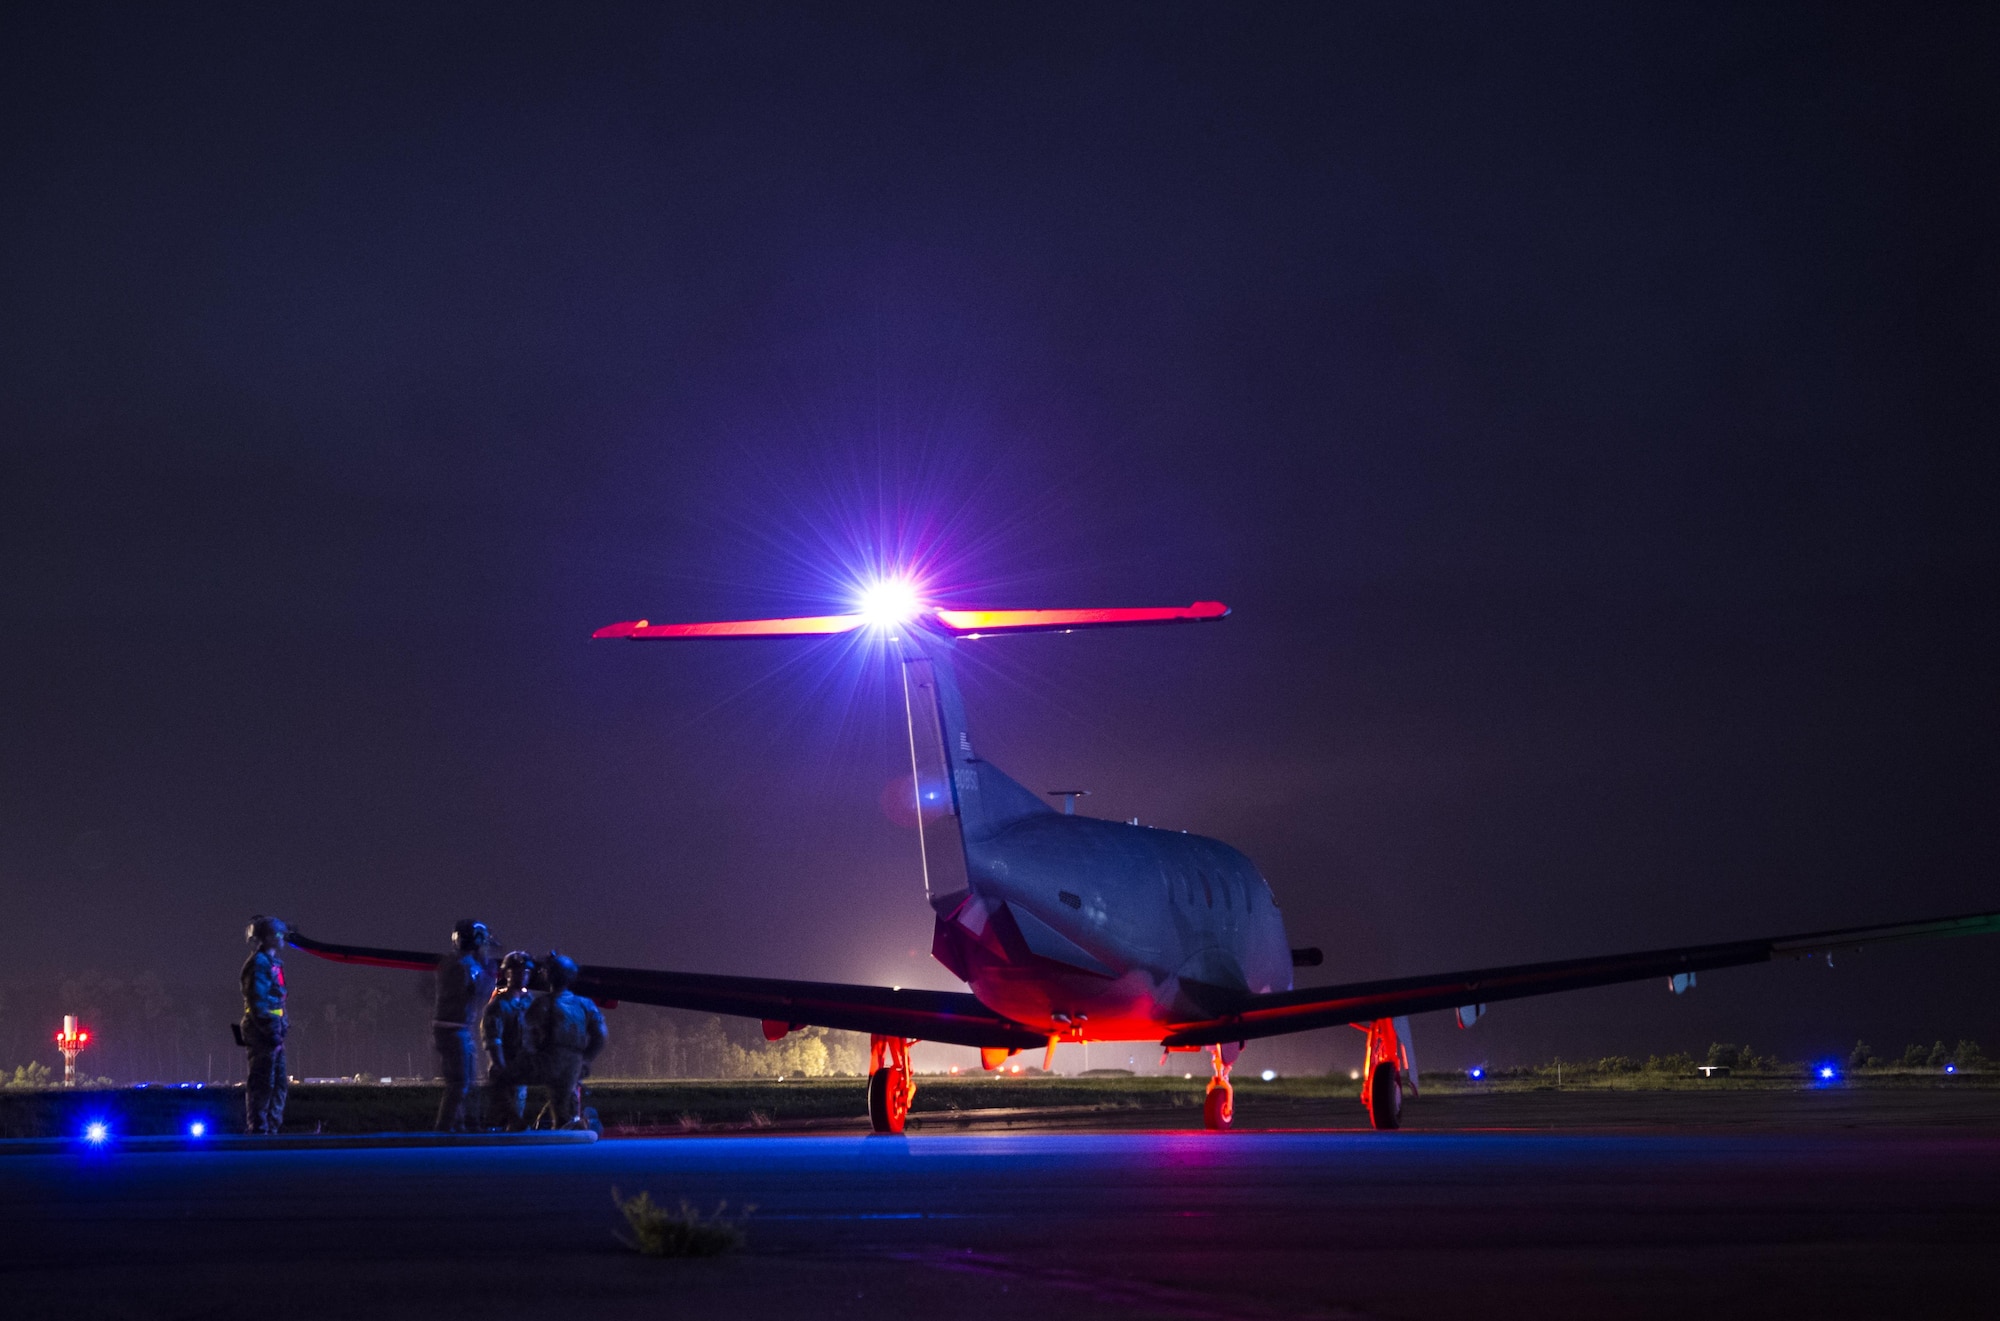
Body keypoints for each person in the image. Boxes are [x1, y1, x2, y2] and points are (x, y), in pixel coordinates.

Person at [526, 952, 606, 1128]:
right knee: (565, 1100)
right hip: (574, 1058)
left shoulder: (542, 1003)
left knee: (560, 1102)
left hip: (550, 1058)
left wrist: (533, 1055)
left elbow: (526, 1032)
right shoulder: (585, 1004)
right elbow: (600, 1036)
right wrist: (585, 1059)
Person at [432, 919, 492, 1132]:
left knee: (465, 1082)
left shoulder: (450, 962)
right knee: (460, 1083)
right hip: (455, 1029)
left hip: (452, 1028)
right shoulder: (467, 966)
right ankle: (445, 1128)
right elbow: (479, 996)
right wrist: (489, 971)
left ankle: (463, 1124)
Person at [239, 915, 290, 1134]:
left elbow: (278, 999)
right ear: (266, 938)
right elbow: (257, 1001)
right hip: (263, 1030)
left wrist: (283, 1023)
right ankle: (259, 1127)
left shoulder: (272, 963)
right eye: (276, 934)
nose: (281, 938)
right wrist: (271, 1030)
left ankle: (270, 1126)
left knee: (278, 1082)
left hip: (272, 1028)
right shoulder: (259, 963)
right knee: (263, 1081)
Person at [480, 951, 538, 1131]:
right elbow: (492, 1039)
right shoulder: (498, 1005)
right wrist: (500, 1065)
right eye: (517, 971)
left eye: (526, 972)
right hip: (504, 1064)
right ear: (507, 974)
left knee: (517, 1107)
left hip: (521, 1065)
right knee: (499, 1112)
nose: (522, 976)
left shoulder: (529, 1002)